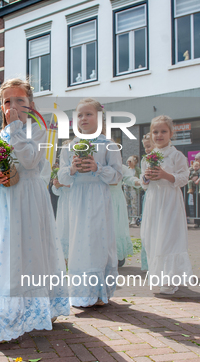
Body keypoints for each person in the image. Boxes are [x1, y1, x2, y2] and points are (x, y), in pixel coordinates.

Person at [0, 79, 69, 350]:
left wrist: (15, 127)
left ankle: (41, 307)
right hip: (6, 204)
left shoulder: (36, 131)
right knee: (7, 255)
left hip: (29, 201)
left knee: (33, 252)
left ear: (31, 105)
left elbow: (29, 161)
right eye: (7, 101)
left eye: (19, 101)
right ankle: (2, 323)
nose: (12, 106)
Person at [59, 98, 122, 307]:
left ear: (99, 118)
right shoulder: (69, 147)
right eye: (79, 115)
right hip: (77, 200)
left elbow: (116, 176)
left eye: (88, 114)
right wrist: (72, 169)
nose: (83, 118)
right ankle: (81, 292)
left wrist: (97, 168)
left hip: (98, 199)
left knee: (97, 241)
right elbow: (62, 177)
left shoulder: (109, 145)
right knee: (79, 243)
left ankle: (98, 293)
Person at [141, 115, 192, 295]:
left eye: (163, 131)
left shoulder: (176, 155)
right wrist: (146, 177)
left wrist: (165, 175)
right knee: (153, 237)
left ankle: (170, 279)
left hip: (169, 200)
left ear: (171, 133)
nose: (159, 135)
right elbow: (144, 183)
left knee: (169, 238)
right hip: (154, 200)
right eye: (155, 132)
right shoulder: (149, 157)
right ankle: (159, 276)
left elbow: (184, 177)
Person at [112, 165, 140, 267]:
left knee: (117, 226)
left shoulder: (120, 166)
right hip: (101, 197)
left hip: (116, 198)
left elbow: (129, 178)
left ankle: (118, 255)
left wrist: (140, 181)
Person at [140, 134, 153, 272]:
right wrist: (146, 178)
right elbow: (144, 184)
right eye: (145, 147)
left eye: (149, 146)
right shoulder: (145, 160)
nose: (147, 149)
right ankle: (149, 263)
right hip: (150, 195)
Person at [52, 173, 71, 260]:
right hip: (63, 203)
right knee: (62, 228)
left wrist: (65, 184)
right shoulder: (62, 172)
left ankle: (72, 256)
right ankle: (63, 257)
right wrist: (56, 185)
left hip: (74, 201)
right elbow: (56, 192)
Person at [124, 155, 141, 225]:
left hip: (133, 188)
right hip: (126, 187)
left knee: (134, 203)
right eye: (128, 161)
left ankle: (134, 218)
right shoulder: (127, 169)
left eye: (130, 161)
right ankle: (128, 218)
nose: (128, 163)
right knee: (127, 204)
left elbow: (140, 178)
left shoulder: (137, 170)